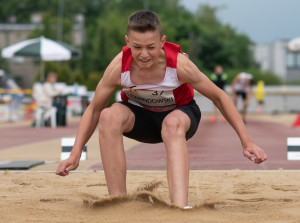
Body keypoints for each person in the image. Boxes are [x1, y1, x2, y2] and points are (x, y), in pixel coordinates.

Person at [56, 10, 267, 208]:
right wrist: (75, 154)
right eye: (137, 47)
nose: (144, 54)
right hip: (142, 119)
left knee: (171, 123)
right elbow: (93, 109)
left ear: (162, 42)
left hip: (180, 115)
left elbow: (219, 96)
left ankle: (179, 206)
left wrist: (246, 141)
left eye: (151, 47)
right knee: (108, 115)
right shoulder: (119, 67)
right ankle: (118, 202)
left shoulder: (179, 64)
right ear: (127, 41)